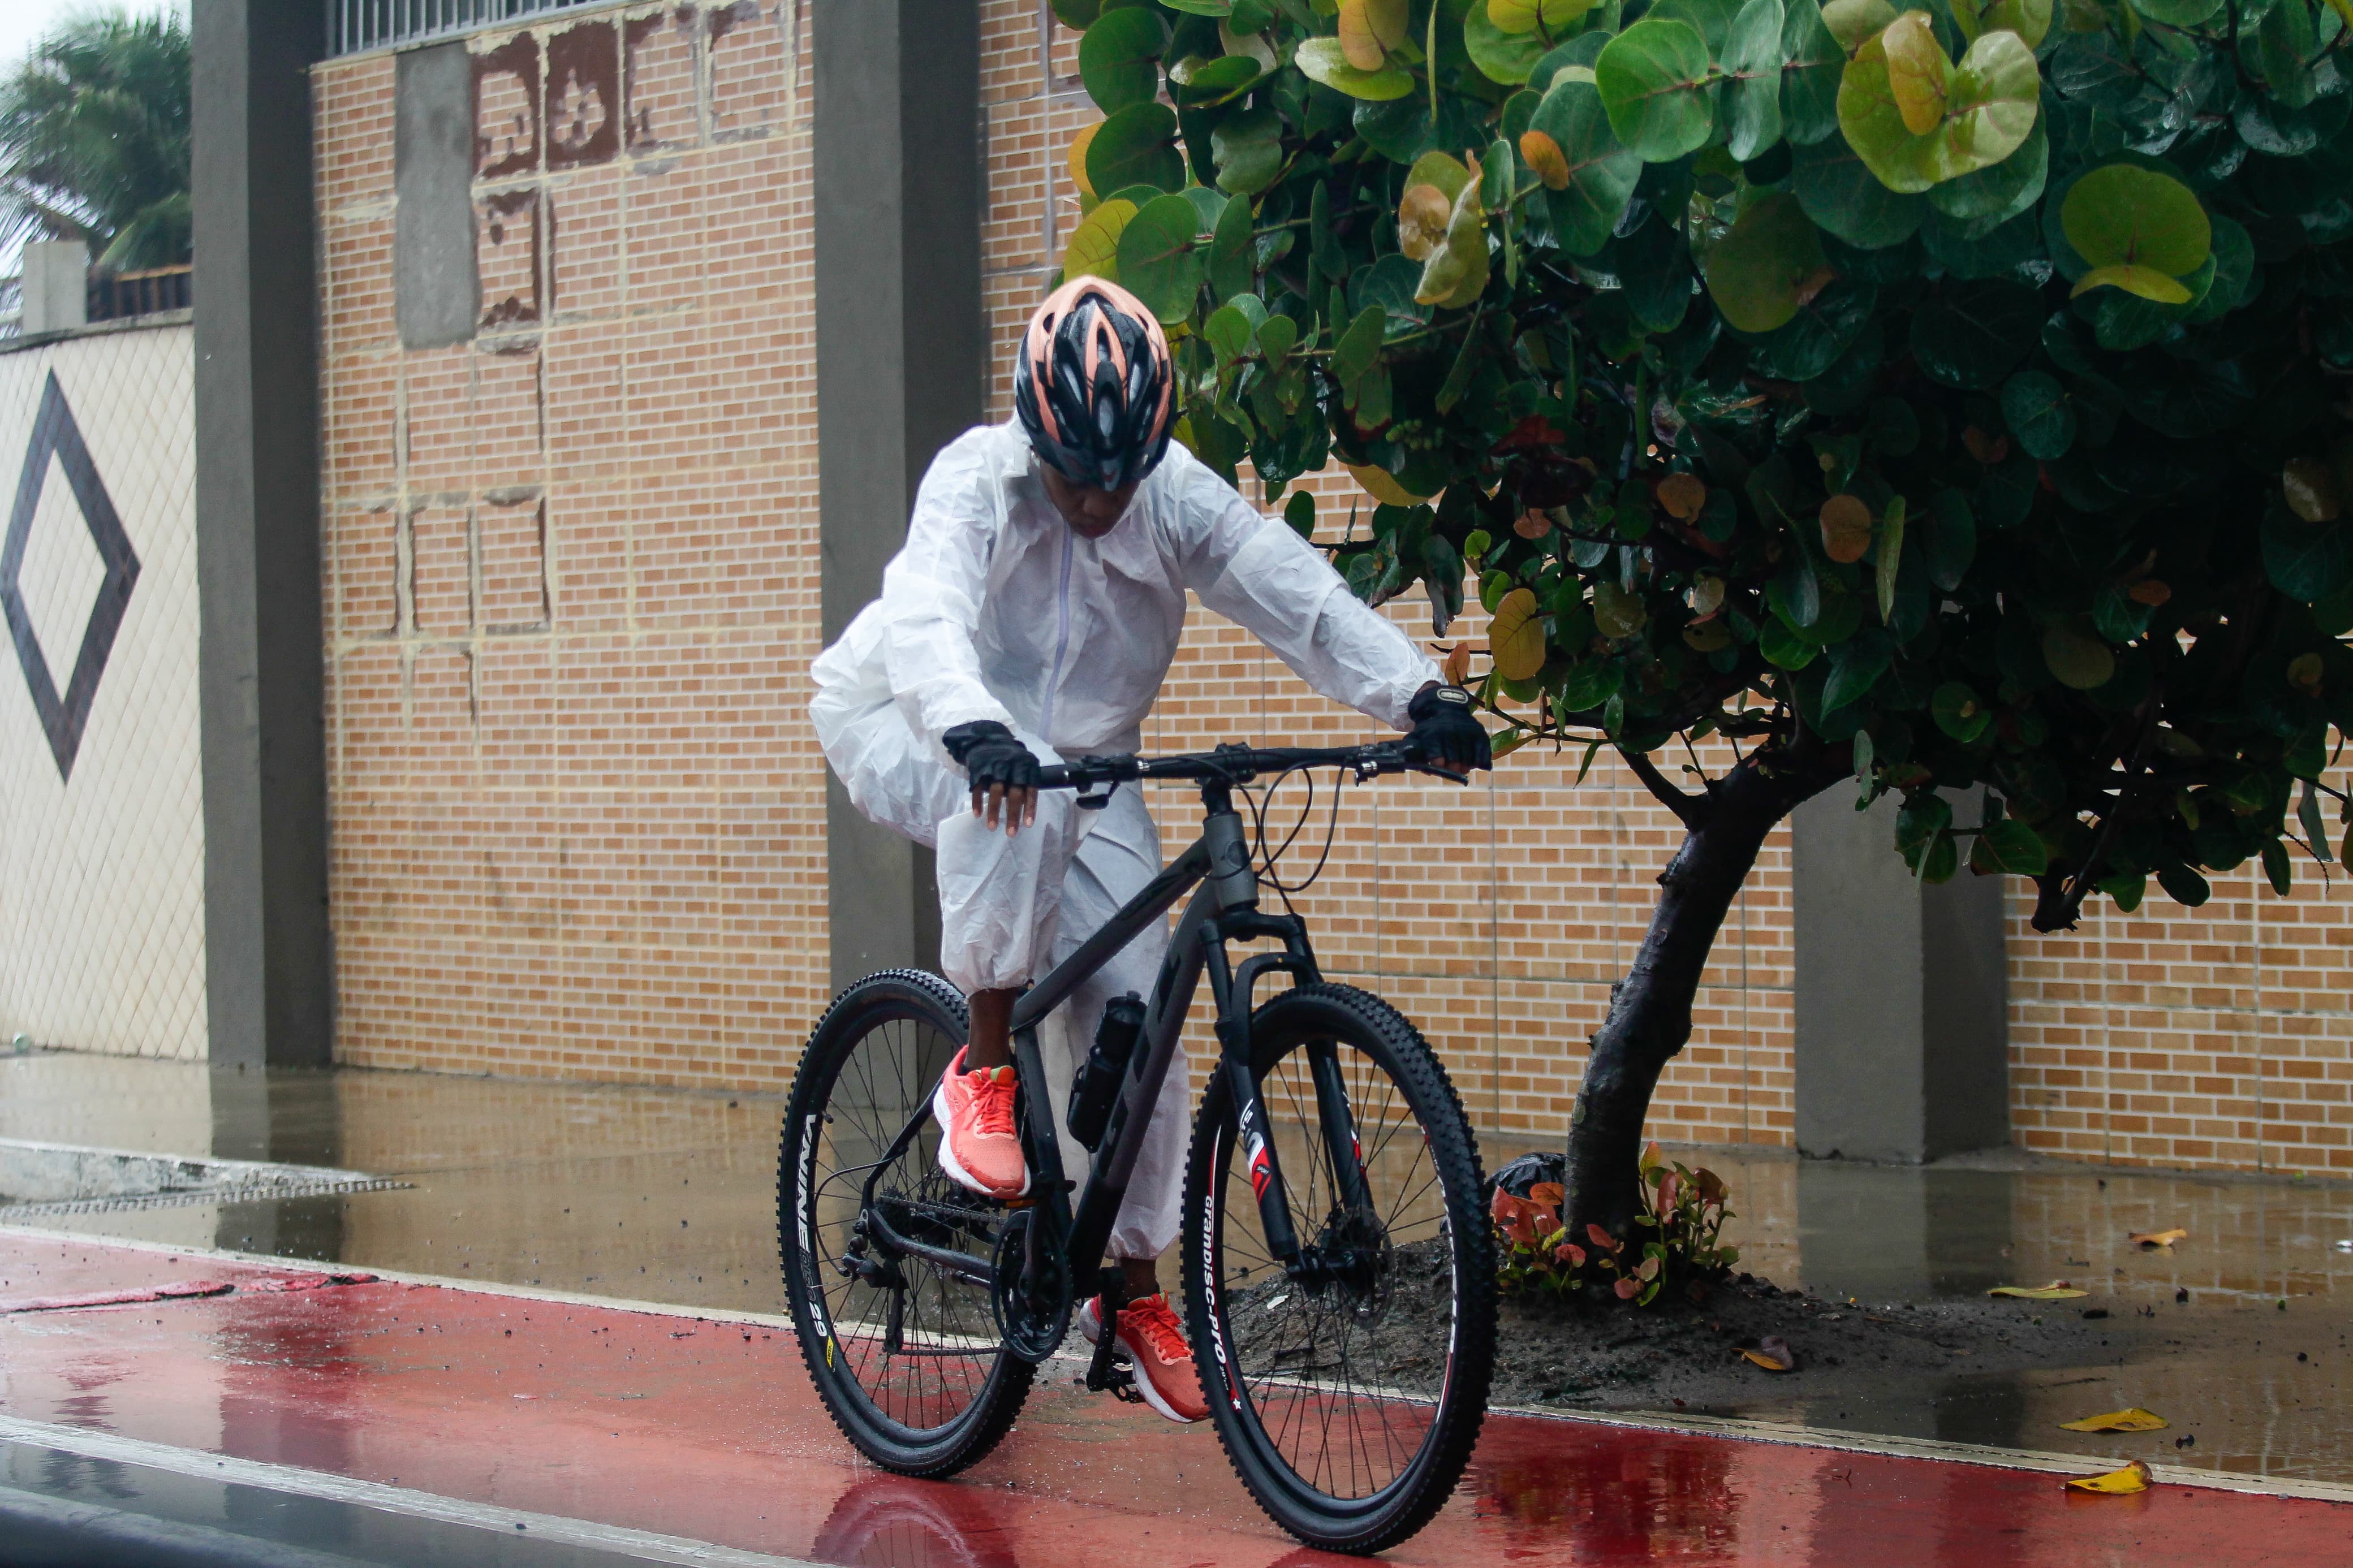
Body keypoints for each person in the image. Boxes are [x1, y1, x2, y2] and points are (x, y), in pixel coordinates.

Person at [810, 277, 1490, 1424]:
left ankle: (1128, 1291)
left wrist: (1413, 694)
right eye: (1076, 473)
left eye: (1117, 477)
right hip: (910, 714)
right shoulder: (976, 478)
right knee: (1012, 796)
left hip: (1089, 764)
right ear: (1037, 432)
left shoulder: (1170, 496)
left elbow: (1297, 598)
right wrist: (971, 727)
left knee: (1149, 1021)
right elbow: (925, 608)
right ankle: (980, 1063)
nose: (1094, 500)